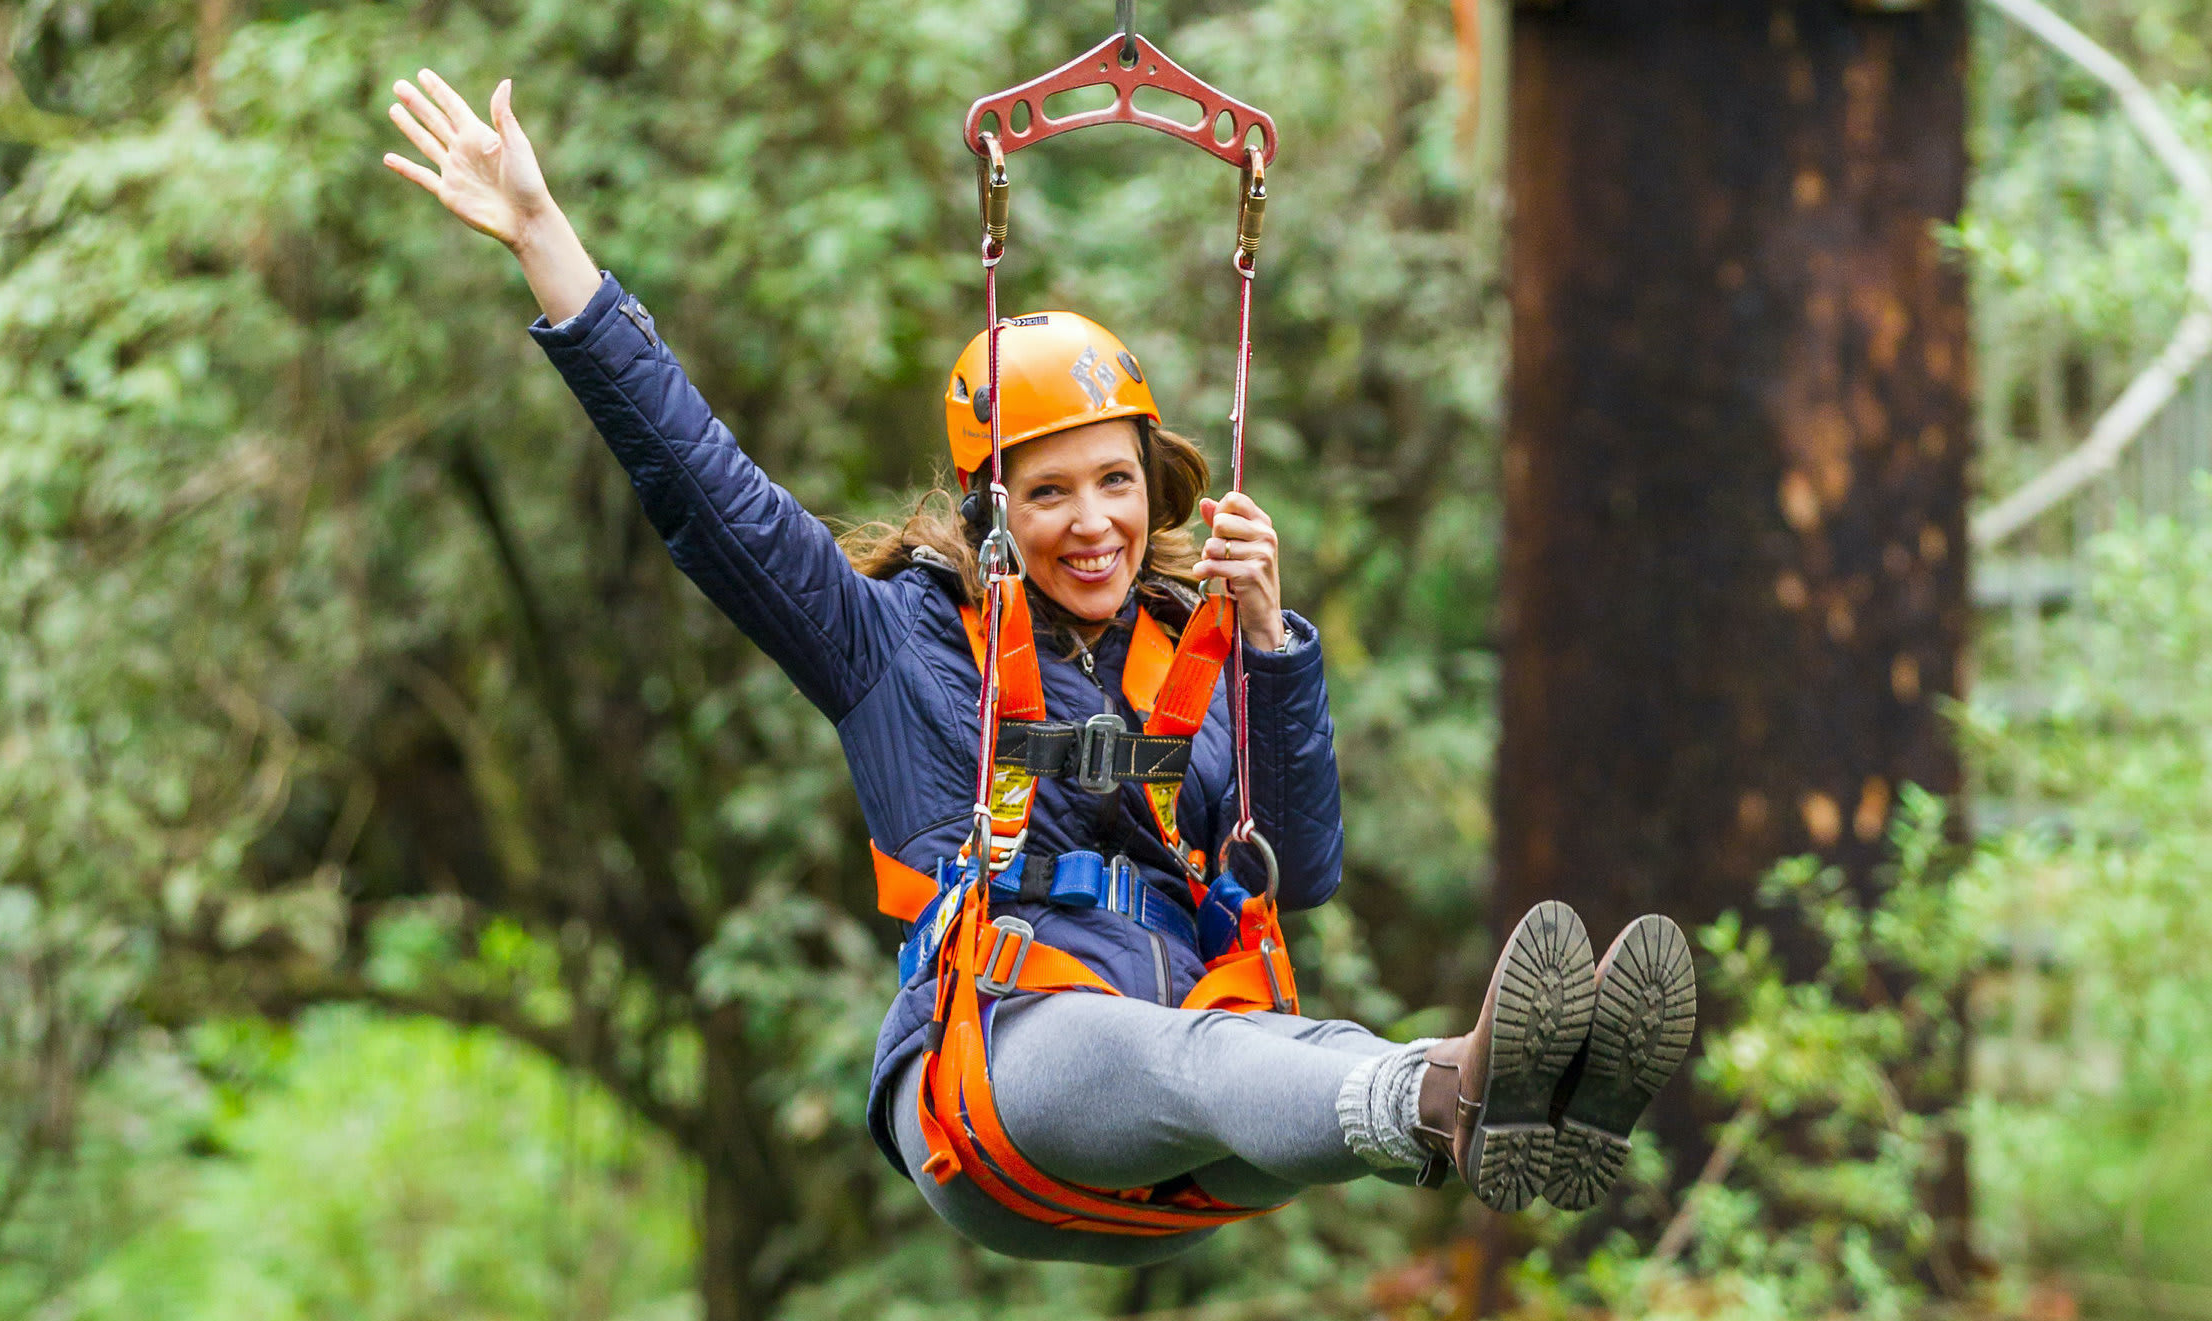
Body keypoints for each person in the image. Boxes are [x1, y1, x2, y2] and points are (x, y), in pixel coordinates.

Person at [381, 69, 1697, 1263]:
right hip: (999, 1077)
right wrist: (548, 241)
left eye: (1117, 482)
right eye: (1050, 489)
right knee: (1197, 1055)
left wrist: (1273, 651)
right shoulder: (888, 641)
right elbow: (704, 485)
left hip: (1179, 1120)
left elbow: (1301, 871)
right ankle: (1465, 1087)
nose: (1095, 522)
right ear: (990, 507)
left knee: (1248, 1047)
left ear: (1154, 486)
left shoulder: (1195, 651)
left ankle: (1519, 1104)